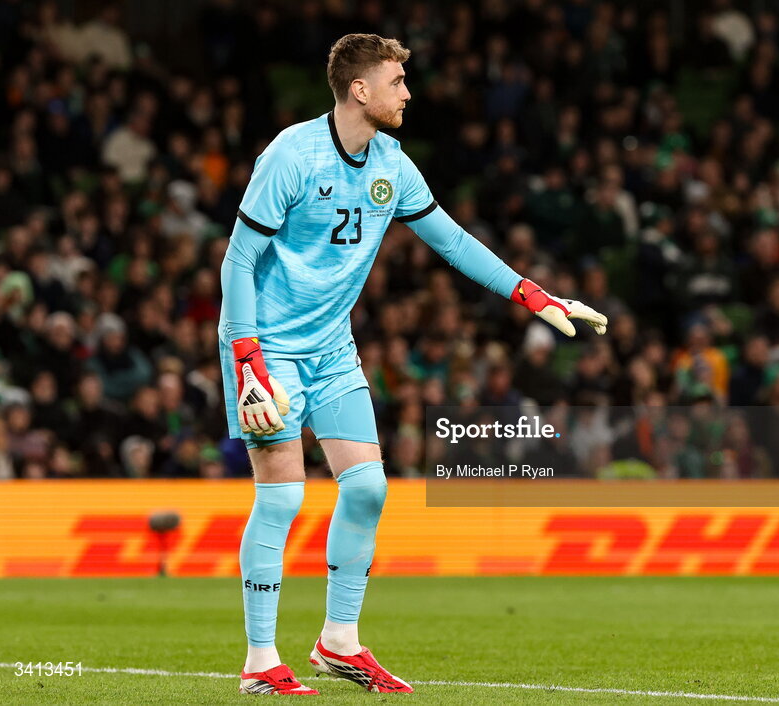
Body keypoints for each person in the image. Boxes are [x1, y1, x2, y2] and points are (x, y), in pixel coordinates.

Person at [217, 34, 607, 696]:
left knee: (367, 488)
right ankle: (260, 658)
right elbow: (238, 261)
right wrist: (249, 362)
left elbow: (451, 240)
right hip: (270, 347)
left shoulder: (393, 166)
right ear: (359, 89)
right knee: (282, 495)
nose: (408, 92)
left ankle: (338, 642)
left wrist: (532, 295)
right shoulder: (292, 154)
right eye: (396, 81)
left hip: (333, 348)